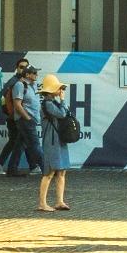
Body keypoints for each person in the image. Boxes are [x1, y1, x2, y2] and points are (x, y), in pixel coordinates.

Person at [34, 73, 74, 212]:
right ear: (51, 90)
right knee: (49, 173)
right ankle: (42, 203)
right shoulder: (47, 104)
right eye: (58, 88)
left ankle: (59, 201)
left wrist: (62, 103)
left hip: (58, 140)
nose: (61, 90)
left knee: (61, 172)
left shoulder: (53, 103)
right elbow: (62, 114)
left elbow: (65, 112)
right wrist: (63, 101)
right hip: (52, 142)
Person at [0, 61, 39, 176]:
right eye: (21, 67)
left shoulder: (29, 83)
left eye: (26, 67)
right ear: (17, 68)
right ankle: (0, 164)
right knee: (16, 142)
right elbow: (4, 98)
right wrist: (10, 114)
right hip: (15, 118)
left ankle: (29, 166)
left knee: (21, 142)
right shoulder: (14, 82)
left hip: (21, 117)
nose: (23, 69)